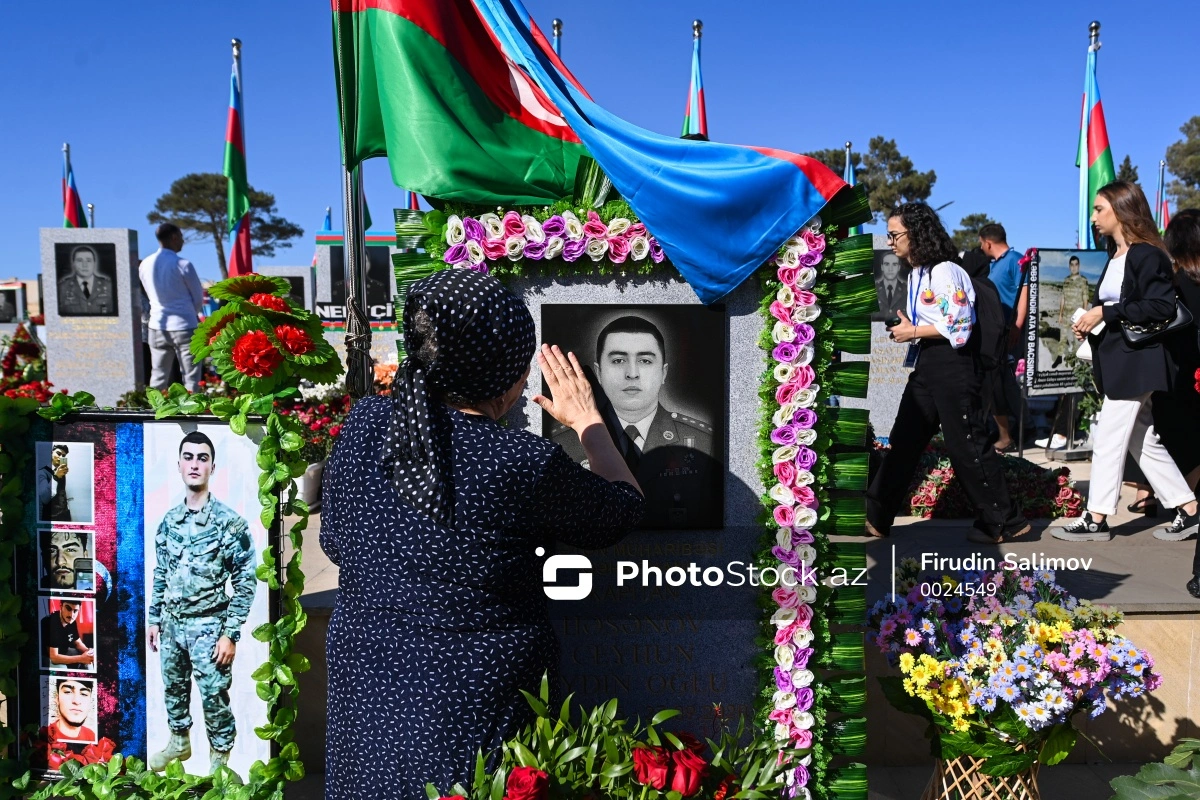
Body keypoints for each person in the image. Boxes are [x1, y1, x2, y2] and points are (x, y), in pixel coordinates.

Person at [320, 268, 645, 800]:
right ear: (508, 371)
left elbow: (335, 538)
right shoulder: (518, 462)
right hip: (467, 706)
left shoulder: (367, 422)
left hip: (368, 681)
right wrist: (588, 423)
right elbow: (621, 511)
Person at [865, 202, 1028, 544]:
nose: (891, 242)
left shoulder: (944, 271)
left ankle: (1005, 521)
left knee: (966, 444)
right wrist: (910, 329)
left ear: (917, 233)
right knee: (905, 441)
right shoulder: (919, 272)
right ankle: (876, 516)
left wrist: (913, 332)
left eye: (895, 235)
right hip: (928, 365)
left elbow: (960, 326)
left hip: (954, 366)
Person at [1055, 181, 1200, 543]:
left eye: (1099, 208)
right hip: (1124, 360)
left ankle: (1096, 516)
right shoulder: (1117, 256)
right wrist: (1092, 322)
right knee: (1142, 440)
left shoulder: (1146, 254)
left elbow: (1161, 306)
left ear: (1122, 209)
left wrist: (1105, 310)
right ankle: (1189, 508)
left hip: (1139, 363)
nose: (1094, 217)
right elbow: (1123, 310)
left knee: (1108, 435)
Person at [146, 431, 256, 774]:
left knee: (214, 698)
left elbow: (245, 582)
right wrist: (154, 619)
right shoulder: (168, 523)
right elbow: (161, 573)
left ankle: (219, 764)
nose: (195, 464)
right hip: (172, 625)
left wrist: (230, 634)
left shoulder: (229, 524)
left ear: (212, 466)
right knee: (173, 688)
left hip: (210, 626)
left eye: (202, 458)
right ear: (179, 465)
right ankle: (179, 743)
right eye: (189, 457)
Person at [549, 315, 719, 527]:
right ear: (599, 372)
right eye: (618, 360)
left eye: (645, 361)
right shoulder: (562, 444)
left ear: (663, 372)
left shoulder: (702, 441)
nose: (632, 374)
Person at [139, 223, 205, 392]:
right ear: (174, 238)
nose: (183, 241)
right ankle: (192, 412)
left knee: (158, 375)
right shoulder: (183, 264)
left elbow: (148, 293)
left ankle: (155, 413)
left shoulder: (145, 264)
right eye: (181, 237)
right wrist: (191, 313)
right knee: (191, 376)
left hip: (157, 325)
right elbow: (197, 297)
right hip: (185, 324)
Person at [979, 223, 1027, 451]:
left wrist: (1017, 324)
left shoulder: (1015, 259)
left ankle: (1016, 432)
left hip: (1010, 333)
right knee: (995, 383)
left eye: (981, 244)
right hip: (995, 333)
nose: (981, 248)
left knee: (1003, 383)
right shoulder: (994, 265)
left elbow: (1024, 289)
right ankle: (1003, 432)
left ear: (988, 242)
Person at [58, 245, 115, 316]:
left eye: (88, 260)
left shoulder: (108, 286)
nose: (84, 265)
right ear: (73, 264)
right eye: (79, 260)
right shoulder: (62, 288)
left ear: (94, 263)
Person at [41, 600, 94, 670]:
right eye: (68, 608)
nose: (72, 615)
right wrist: (81, 658)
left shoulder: (72, 621)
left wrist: (89, 651)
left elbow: (77, 643)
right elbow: (54, 657)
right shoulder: (51, 622)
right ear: (61, 606)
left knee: (89, 659)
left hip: (64, 652)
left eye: (75, 611)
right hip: (48, 657)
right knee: (62, 667)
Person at [48, 678, 96, 743]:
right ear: (57, 699)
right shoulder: (45, 735)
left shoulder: (91, 736)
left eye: (84, 694)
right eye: (68, 692)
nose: (76, 701)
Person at [37, 444, 71, 522]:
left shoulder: (62, 472)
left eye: (63, 456)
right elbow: (44, 499)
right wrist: (55, 478)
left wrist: (67, 509)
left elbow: (62, 492)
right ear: (51, 453)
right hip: (51, 518)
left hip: (65, 515)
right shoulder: (42, 472)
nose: (61, 457)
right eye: (58, 453)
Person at [875, 252, 906, 319]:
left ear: (899, 267)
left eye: (894, 264)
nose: (890, 269)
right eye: (887, 264)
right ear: (882, 267)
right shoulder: (872, 290)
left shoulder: (907, 290)